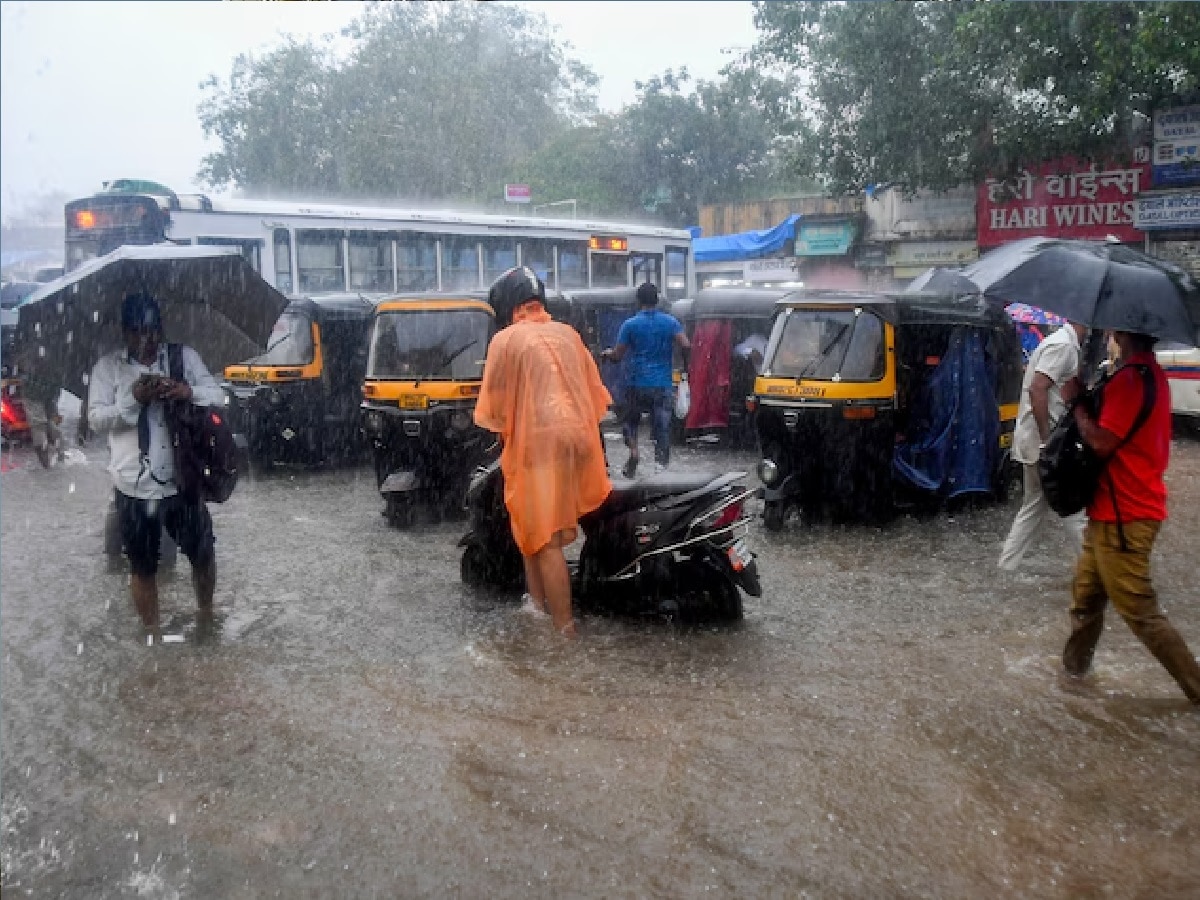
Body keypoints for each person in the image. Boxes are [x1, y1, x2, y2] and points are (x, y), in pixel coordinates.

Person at [1062, 329, 1200, 704]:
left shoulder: (1130, 380)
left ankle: (1197, 689)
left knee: (1141, 613)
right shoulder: (1149, 373)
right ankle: (1073, 679)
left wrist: (1076, 403)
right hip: (1115, 512)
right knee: (1086, 601)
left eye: (1111, 331)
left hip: (1124, 517)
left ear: (1122, 334)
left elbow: (1102, 442)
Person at [475, 267, 613, 636]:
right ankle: (535, 606)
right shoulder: (568, 334)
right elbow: (594, 391)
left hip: (540, 442)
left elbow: (496, 406)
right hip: (579, 439)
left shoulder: (506, 340)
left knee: (546, 537)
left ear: (506, 304)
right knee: (531, 525)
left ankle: (564, 632)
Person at [88, 291, 227, 640]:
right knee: (142, 566)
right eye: (137, 331)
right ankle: (152, 635)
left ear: (161, 328)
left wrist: (186, 392)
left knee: (203, 554)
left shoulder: (184, 358)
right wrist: (132, 401)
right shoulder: (108, 368)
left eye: (152, 331)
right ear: (125, 332)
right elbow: (96, 421)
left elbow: (219, 395)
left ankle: (206, 617)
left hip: (184, 479)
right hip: (133, 486)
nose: (146, 340)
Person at [998, 320, 1088, 571]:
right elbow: (1038, 388)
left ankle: (1007, 566)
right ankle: (1098, 575)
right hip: (1046, 444)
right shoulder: (1063, 346)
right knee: (1073, 509)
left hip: (1037, 441)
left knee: (1033, 506)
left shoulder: (1063, 344)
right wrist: (1047, 440)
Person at [600, 282, 690, 478]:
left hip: (636, 383)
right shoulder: (670, 322)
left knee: (630, 421)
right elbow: (686, 344)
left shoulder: (630, 324)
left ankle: (634, 451)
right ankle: (661, 467)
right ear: (657, 300)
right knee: (662, 426)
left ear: (638, 301)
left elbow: (618, 355)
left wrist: (607, 355)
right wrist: (685, 368)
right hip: (662, 385)